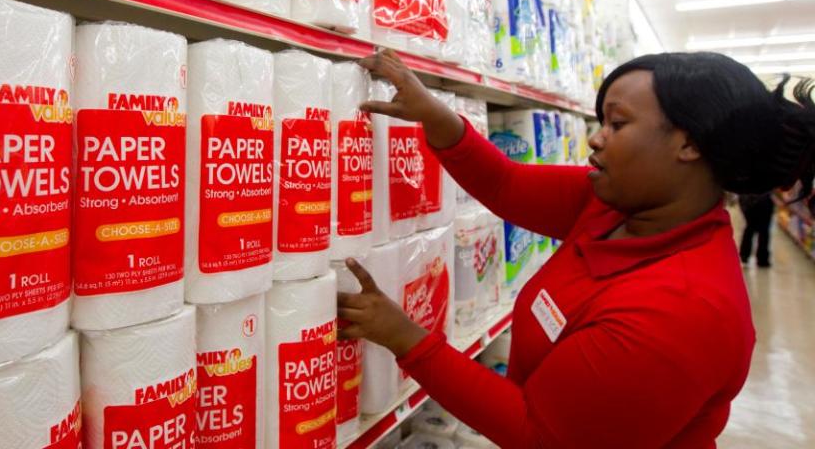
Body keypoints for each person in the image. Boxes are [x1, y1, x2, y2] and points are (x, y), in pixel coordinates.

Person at [338, 51, 815, 448]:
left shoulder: (682, 313)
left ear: (687, 144)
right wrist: (435, 114)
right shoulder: (617, 206)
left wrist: (406, 338)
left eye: (617, 123)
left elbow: (539, 433)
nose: (596, 137)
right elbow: (507, 184)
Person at [738, 193, 775, 267]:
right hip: (763, 201)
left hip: (748, 201)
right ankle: (762, 259)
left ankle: (744, 255)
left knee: (749, 228)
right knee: (763, 231)